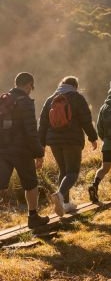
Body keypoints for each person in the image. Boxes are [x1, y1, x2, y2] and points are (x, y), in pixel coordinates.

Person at [39, 76, 97, 217]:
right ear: (75, 86)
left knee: (63, 170)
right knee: (72, 172)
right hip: (72, 140)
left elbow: (42, 124)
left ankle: (65, 204)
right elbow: (86, 120)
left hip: (53, 141)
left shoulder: (50, 99)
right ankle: (60, 195)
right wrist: (93, 137)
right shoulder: (77, 98)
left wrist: (41, 144)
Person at [0, 72, 49, 228]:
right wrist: (39, 154)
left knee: (1, 185)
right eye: (32, 86)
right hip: (22, 151)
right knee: (31, 184)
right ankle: (33, 217)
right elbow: (31, 131)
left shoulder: (4, 99)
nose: (31, 89)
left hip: (3, 150)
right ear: (29, 84)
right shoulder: (25, 102)